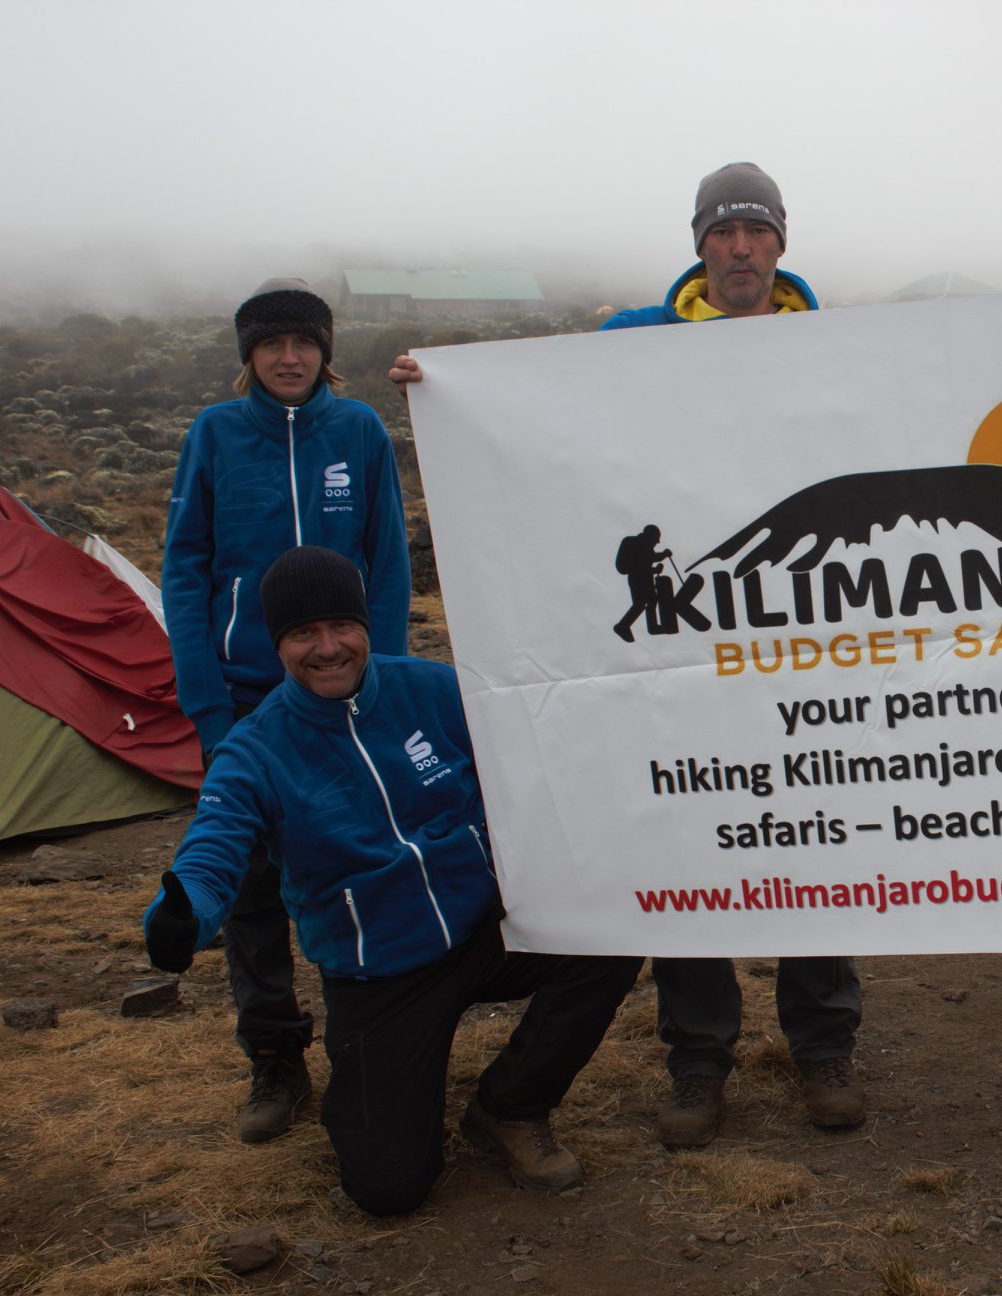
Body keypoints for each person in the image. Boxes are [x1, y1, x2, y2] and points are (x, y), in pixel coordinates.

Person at [388, 163, 865, 1149]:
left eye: (756, 230)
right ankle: (699, 1060)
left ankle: (823, 1046)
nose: (740, 248)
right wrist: (446, 390)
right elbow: (535, 410)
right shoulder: (632, 341)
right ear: (700, 244)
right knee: (688, 832)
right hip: (680, 638)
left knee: (813, 833)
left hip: (800, 638)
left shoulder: (834, 344)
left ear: (781, 243)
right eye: (722, 231)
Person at [144, 547, 641, 1215]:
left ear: (366, 626)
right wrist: (183, 911)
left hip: (488, 927)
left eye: (341, 626)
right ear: (277, 644)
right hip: (381, 969)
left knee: (611, 929)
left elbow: (539, 759)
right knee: (388, 1189)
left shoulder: (435, 690)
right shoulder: (255, 750)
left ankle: (511, 1106)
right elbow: (213, 845)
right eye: (303, 633)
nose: (328, 648)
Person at [163, 278, 411, 1143]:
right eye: (271, 344)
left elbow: (388, 561)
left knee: (361, 866)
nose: (289, 357)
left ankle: (369, 1039)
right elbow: (185, 571)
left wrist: (389, 683)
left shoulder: (360, 431)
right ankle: (273, 1058)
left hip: (346, 690)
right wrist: (207, 707)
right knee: (253, 891)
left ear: (325, 351)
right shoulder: (217, 434)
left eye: (304, 342)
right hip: (244, 694)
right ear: (250, 356)